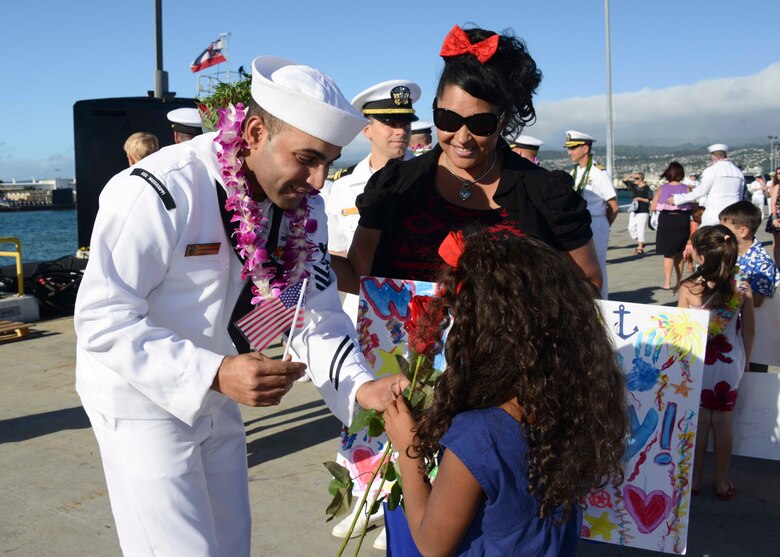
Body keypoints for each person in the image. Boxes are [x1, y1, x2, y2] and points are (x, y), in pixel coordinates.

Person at [74, 55, 405, 556]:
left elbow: (310, 309)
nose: (319, 181)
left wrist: (362, 388)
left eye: (329, 163)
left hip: (219, 393)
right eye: (307, 158)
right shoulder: (161, 191)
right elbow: (102, 319)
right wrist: (214, 371)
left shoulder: (302, 206)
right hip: (141, 401)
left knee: (231, 547)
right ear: (252, 133)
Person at [383, 230, 628, 556]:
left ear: (485, 336)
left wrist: (408, 449)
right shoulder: (570, 410)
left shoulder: (479, 434)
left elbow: (431, 544)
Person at [333, 25, 601, 301]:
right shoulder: (395, 185)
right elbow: (358, 276)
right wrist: (296, 250)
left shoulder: (546, 194)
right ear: (435, 110)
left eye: (480, 123)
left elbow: (590, 283)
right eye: (448, 120)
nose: (462, 138)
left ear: (503, 121)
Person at [325, 78, 421, 550]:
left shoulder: (428, 182)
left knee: (413, 412)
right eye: (389, 122)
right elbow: (327, 256)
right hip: (360, 321)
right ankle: (363, 499)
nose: (399, 131)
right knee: (360, 414)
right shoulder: (343, 187)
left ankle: (398, 507)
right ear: (368, 127)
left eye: (405, 121)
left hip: (415, 321)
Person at [677, 225, 754, 501]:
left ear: (700, 257)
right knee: (723, 421)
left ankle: (694, 480)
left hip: (699, 361)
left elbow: (681, 329)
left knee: (698, 421)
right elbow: (750, 330)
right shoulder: (742, 287)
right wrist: (746, 360)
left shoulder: (688, 287)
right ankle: (721, 481)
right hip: (729, 361)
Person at [565, 130, 618, 298]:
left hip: (595, 222)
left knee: (598, 265)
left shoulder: (598, 173)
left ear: (585, 149)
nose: (569, 152)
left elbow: (613, 206)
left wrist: (605, 224)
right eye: (569, 148)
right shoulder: (574, 173)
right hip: (579, 223)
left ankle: (602, 301)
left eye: (573, 148)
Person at [719, 201, 779, 308]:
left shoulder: (762, 263)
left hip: (747, 319)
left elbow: (756, 300)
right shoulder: (726, 250)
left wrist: (732, 282)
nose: (720, 232)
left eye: (724, 229)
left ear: (743, 232)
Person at [673, 143, 745, 226]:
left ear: (714, 156)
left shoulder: (711, 170)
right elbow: (741, 195)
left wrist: (677, 199)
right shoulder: (738, 172)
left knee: (704, 237)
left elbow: (701, 191)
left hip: (714, 213)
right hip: (733, 214)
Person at [651, 161, 693, 290]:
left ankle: (667, 282)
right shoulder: (687, 188)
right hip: (682, 220)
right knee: (679, 252)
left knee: (668, 253)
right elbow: (694, 205)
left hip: (666, 220)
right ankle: (679, 281)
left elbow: (653, 207)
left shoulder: (662, 188)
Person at [625, 171, 651, 254]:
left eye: (637, 178)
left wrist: (640, 199)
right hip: (634, 210)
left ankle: (640, 247)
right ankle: (641, 242)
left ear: (641, 178)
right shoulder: (634, 186)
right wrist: (630, 175)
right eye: (634, 178)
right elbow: (625, 181)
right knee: (631, 228)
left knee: (640, 229)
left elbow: (648, 199)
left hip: (643, 210)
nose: (635, 179)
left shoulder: (647, 188)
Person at [766, 167, 780, 261]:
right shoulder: (777, 186)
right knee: (778, 244)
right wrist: (774, 218)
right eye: (778, 173)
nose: (779, 175)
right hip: (778, 216)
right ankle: (779, 266)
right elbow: (773, 203)